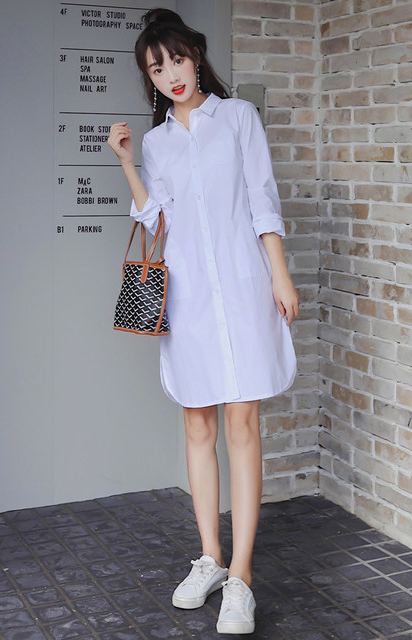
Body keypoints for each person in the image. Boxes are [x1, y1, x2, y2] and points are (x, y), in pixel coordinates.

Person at [107, 8, 299, 635]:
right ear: (150, 78)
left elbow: (262, 199)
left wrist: (279, 275)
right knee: (197, 423)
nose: (170, 75)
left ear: (195, 56)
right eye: (155, 68)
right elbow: (156, 220)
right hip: (188, 297)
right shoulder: (157, 142)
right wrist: (128, 162)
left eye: (177, 59)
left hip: (243, 288)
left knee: (242, 422)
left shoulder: (238, 117)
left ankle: (241, 575)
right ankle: (210, 559)